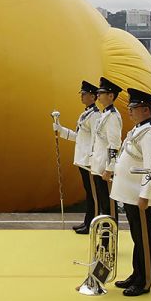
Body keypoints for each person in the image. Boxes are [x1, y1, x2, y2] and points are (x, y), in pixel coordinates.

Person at [110, 87, 151, 296]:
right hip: (130, 195)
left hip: (139, 196)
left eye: (133, 107)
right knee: (136, 237)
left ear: (145, 109)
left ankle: (145, 280)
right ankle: (136, 273)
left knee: (144, 238)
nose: (130, 111)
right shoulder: (138, 130)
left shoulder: (149, 134)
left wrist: (145, 195)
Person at [53, 80, 101, 234]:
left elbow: (95, 139)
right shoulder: (85, 114)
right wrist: (60, 129)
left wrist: (93, 159)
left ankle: (91, 224)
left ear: (93, 97)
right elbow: (79, 137)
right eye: (82, 94)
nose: (82, 96)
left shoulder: (95, 116)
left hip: (89, 162)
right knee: (88, 192)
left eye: (85, 94)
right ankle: (87, 222)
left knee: (93, 195)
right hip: (82, 160)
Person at [90, 76, 123, 219]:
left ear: (111, 95)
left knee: (109, 206)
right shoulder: (105, 114)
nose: (98, 95)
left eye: (101, 93)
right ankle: (104, 236)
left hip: (105, 169)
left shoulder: (113, 117)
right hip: (98, 166)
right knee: (103, 205)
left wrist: (110, 168)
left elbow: (114, 145)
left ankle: (108, 238)